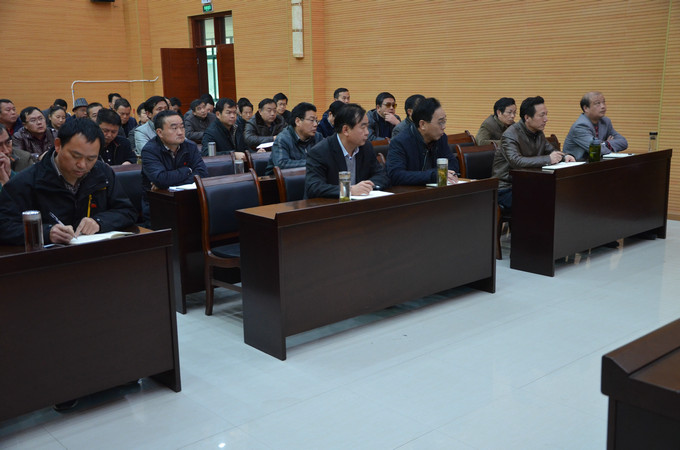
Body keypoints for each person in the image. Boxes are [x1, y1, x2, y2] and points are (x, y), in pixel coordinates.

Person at [0, 118, 137, 245]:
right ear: (58, 145)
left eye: (91, 159)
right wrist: (46, 232)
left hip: (95, 253)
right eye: (75, 156)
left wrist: (99, 222)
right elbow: (5, 227)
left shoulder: (102, 173)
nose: (82, 165)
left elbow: (127, 211)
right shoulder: (25, 182)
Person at [492, 96, 575, 210]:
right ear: (527, 117)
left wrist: (565, 156)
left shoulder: (538, 132)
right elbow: (516, 161)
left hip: (529, 183)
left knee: (561, 195)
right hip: (507, 188)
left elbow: (551, 151)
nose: (546, 119)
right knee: (541, 202)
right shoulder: (510, 135)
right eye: (541, 115)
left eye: (546, 114)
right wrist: (548, 159)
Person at [304, 103, 389, 198]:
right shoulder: (320, 152)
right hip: (330, 205)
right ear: (345, 130)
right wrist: (349, 190)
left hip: (360, 203)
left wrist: (367, 186)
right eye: (363, 127)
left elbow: (381, 175)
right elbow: (314, 187)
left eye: (367, 127)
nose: (367, 132)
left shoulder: (366, 147)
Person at [386, 97, 459, 186]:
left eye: (444, 121)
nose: (444, 127)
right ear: (422, 124)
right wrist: (434, 175)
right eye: (440, 122)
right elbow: (396, 175)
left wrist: (444, 173)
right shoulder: (400, 142)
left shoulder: (441, 138)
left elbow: (452, 163)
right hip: (412, 192)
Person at [141, 110, 208, 193]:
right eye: (174, 128)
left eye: (182, 127)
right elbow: (160, 179)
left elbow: (202, 174)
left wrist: (169, 184)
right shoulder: (150, 150)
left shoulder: (190, 146)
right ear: (160, 132)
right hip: (159, 198)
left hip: (189, 196)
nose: (180, 132)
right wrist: (188, 170)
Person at [563, 91, 628, 161]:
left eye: (603, 102)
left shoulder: (605, 121)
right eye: (598, 103)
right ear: (586, 108)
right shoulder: (580, 126)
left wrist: (605, 143)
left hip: (597, 162)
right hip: (578, 164)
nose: (603, 106)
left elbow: (623, 142)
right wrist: (604, 145)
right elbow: (597, 150)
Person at [265, 102, 324, 175]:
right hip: (278, 180)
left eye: (316, 120)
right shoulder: (283, 139)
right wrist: (311, 162)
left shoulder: (318, 137)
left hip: (310, 177)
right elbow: (282, 164)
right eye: (312, 120)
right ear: (298, 121)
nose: (315, 124)